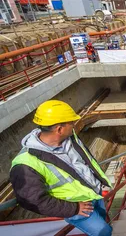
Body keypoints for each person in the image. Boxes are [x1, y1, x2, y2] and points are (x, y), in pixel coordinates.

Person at [10, 100, 113, 236]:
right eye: (71, 122)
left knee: (105, 222)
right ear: (59, 129)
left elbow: (86, 162)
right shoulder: (25, 163)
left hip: (95, 193)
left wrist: (101, 183)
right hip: (78, 206)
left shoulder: (70, 138)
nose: (74, 125)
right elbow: (33, 200)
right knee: (103, 231)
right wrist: (74, 209)